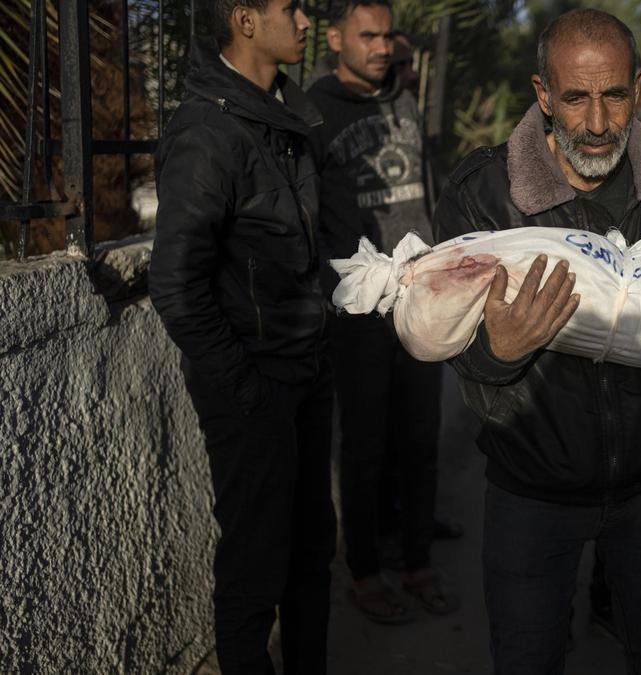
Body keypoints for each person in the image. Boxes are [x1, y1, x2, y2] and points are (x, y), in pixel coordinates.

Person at [432, 9, 641, 673]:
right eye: (575, 97)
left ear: (640, 89)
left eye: (614, 95)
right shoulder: (484, 198)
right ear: (543, 93)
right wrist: (498, 348)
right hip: (532, 491)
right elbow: (449, 341)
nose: (597, 122)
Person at [148, 0, 334, 672]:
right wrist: (247, 390)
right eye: (292, 8)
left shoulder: (282, 114)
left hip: (305, 369)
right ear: (246, 20)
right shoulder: (207, 133)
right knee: (256, 573)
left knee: (313, 553)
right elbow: (174, 285)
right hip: (255, 387)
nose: (307, 21)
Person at [306, 0, 458, 623]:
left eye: (386, 34)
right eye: (366, 35)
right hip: (362, 310)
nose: (379, 45)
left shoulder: (401, 96)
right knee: (364, 445)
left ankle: (416, 562)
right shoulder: (313, 110)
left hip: (421, 300)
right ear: (335, 37)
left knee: (421, 440)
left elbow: (422, 185)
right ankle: (364, 573)